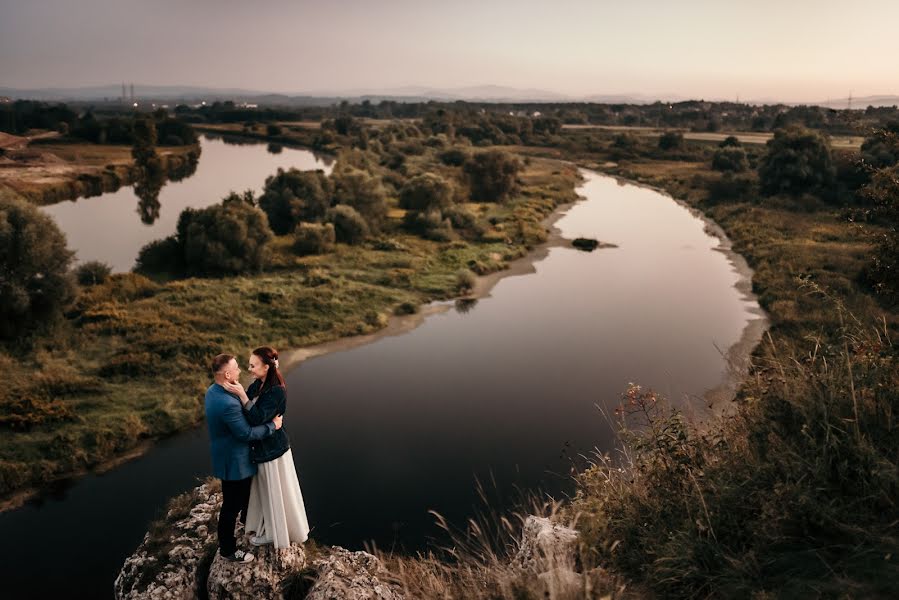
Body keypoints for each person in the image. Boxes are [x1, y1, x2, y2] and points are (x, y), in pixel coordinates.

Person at [223, 346, 310, 549]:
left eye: (253, 365)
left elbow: (256, 418)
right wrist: (236, 392)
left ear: (266, 367)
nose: (250, 369)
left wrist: (242, 398)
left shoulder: (277, 391)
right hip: (262, 450)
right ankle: (264, 526)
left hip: (273, 452)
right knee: (265, 492)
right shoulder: (258, 384)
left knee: (274, 493)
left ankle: (275, 534)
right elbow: (248, 412)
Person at [205, 353, 283, 563]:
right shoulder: (227, 403)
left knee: (239, 500)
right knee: (231, 505)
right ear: (228, 374)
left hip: (224, 454)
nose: (241, 370)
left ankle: (248, 521)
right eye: (237, 368)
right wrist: (272, 426)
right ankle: (228, 550)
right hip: (235, 461)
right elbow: (246, 433)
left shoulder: (213, 391)